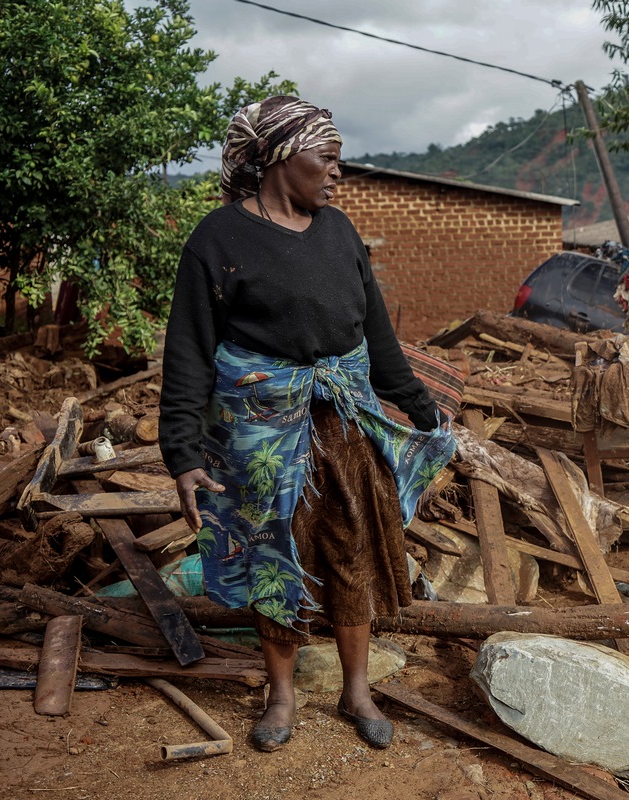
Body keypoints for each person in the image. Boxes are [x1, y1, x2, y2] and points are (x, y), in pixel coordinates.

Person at [159, 96, 455, 752]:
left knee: (352, 550)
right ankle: (282, 695)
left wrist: (425, 411)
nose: (338, 172)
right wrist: (182, 454)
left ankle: (357, 690)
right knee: (273, 552)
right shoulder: (217, 239)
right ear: (279, 158)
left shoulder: (339, 231)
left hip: (345, 425)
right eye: (327, 158)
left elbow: (377, 338)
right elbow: (189, 354)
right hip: (261, 433)